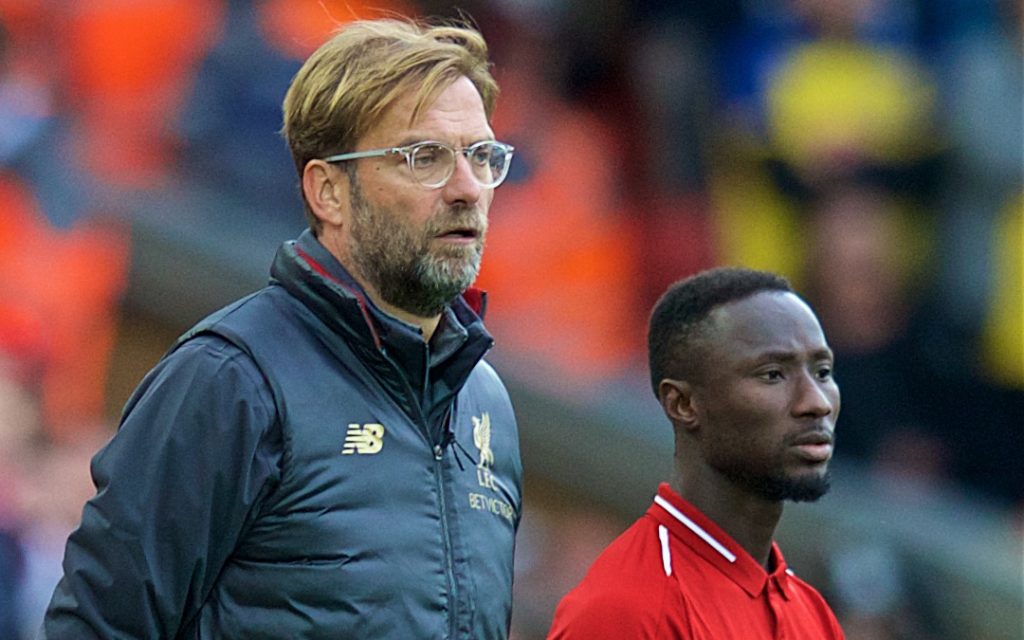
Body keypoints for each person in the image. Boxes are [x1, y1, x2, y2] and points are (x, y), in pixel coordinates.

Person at [41, 17, 522, 639]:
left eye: (482, 156)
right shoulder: (230, 381)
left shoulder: (488, 405)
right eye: (424, 157)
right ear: (329, 191)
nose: (467, 188)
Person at [548, 267, 844, 639]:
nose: (816, 403)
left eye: (822, 371)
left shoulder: (812, 613)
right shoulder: (629, 611)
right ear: (684, 404)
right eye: (772, 374)